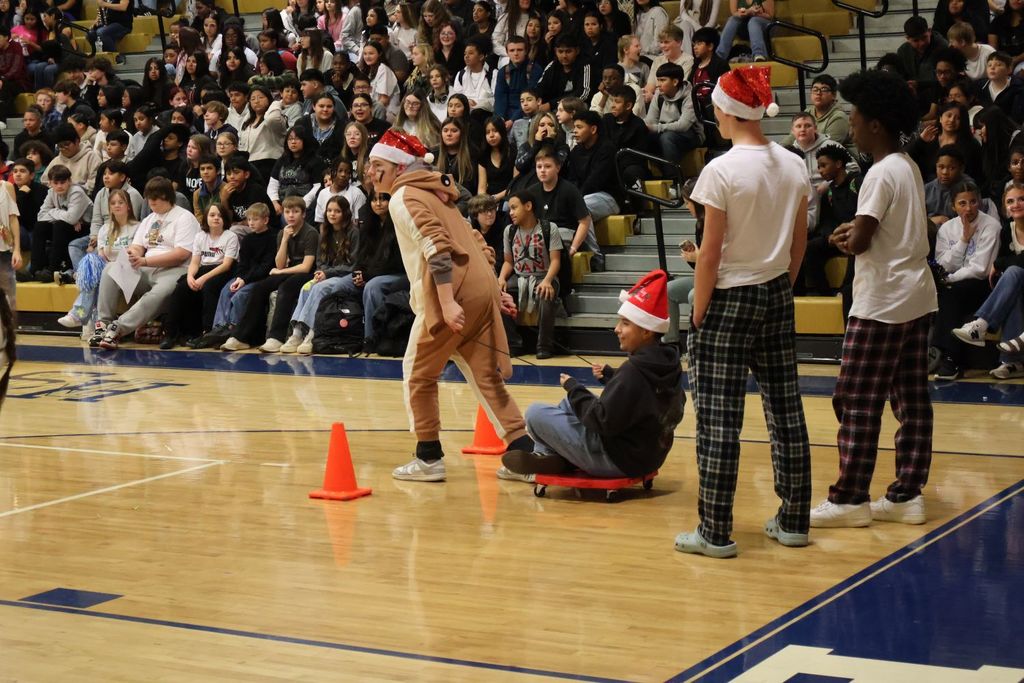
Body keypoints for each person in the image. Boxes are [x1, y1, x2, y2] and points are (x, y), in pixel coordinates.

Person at [675, 65, 812, 559]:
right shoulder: (795, 164)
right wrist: (782, 287)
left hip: (730, 297)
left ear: (726, 111)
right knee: (786, 410)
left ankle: (715, 532)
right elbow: (800, 242)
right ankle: (794, 520)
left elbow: (709, 254)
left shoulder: (721, 170)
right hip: (777, 292)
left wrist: (699, 311)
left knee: (718, 420)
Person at [367, 129, 535, 481]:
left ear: (398, 168)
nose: (370, 172)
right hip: (477, 286)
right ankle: (524, 454)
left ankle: (428, 457)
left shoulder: (403, 198)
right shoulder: (437, 193)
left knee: (418, 374)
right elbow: (473, 239)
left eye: (377, 164)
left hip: (453, 293)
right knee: (485, 377)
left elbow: (437, 246)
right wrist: (492, 288)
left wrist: (445, 302)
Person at [810, 69, 938, 529]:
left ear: (877, 125)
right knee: (911, 399)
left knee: (856, 398)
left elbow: (862, 240)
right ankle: (907, 494)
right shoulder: (907, 165)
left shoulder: (880, 173)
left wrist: (845, 236)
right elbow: (889, 230)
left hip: (882, 300)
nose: (853, 126)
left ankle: (850, 498)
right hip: (918, 296)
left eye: (858, 118)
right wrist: (855, 231)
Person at [502, 269, 685, 481]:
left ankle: (549, 455)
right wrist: (610, 375)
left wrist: (574, 387)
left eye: (625, 323)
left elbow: (602, 420)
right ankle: (550, 455)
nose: (617, 329)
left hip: (616, 460)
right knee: (568, 404)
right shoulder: (666, 362)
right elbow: (643, 394)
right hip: (648, 455)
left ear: (646, 331)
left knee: (535, 412)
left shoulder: (633, 370)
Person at [92, 177, 201, 351]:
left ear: (167, 197)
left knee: (159, 293)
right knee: (111, 268)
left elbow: (181, 254)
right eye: (149, 198)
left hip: (175, 270)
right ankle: (103, 324)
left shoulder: (184, 217)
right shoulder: (150, 219)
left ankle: (118, 328)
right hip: (146, 266)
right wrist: (132, 254)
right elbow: (138, 245)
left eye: (155, 199)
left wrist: (145, 260)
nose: (151, 202)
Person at [221, 196, 318, 351]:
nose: (291, 215)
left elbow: (306, 267)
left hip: (306, 273)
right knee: (259, 288)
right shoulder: (282, 233)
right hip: (287, 270)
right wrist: (285, 239)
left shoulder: (311, 233)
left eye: (295, 212)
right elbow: (280, 263)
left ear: (304, 214)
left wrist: (281, 271)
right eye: (287, 212)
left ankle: (276, 337)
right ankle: (241, 337)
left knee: (286, 288)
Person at [931, 181, 1001, 379]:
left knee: (951, 292)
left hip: (984, 286)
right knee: (950, 294)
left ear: (979, 202)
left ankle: (946, 356)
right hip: (954, 286)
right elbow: (942, 264)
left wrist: (949, 278)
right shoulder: (946, 229)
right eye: (962, 203)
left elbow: (980, 269)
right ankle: (948, 358)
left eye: (973, 202)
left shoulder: (991, 226)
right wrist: (963, 240)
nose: (968, 208)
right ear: (953, 206)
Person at [954, 183, 1024, 378]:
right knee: (1014, 285)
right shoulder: (1007, 230)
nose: (1016, 204)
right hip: (1019, 289)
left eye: (1021, 199)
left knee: (1014, 272)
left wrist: (1000, 262)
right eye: (1010, 201)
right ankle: (1012, 363)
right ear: (1005, 208)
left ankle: (981, 325)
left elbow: (1017, 261)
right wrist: (1004, 264)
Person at [278, 195, 360, 353]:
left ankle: (311, 334)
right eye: (329, 210)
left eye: (337, 211)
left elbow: (353, 265)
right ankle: (296, 333)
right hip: (328, 275)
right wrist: (320, 272)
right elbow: (320, 262)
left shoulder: (353, 232)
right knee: (306, 288)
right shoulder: (324, 232)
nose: (332, 214)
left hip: (347, 276)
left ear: (345, 213)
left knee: (318, 289)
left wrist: (327, 274)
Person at [190, 203, 277, 349]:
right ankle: (218, 329)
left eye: (255, 219)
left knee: (240, 295)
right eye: (249, 219)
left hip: (261, 278)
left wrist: (244, 280)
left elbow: (266, 266)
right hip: (245, 277)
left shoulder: (273, 237)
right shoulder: (248, 239)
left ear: (266, 220)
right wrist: (239, 278)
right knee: (226, 290)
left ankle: (235, 331)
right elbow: (242, 264)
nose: (251, 223)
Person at [59, 188, 137, 330]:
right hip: (107, 269)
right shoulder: (105, 229)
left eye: (121, 202)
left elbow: (134, 254)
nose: (117, 205)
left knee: (96, 269)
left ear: (129, 206)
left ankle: (80, 315)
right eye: (113, 203)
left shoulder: (137, 227)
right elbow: (101, 255)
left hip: (129, 269)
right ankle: (92, 317)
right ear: (109, 208)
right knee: (92, 263)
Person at [497, 188, 562, 359]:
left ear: (528, 206)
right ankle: (514, 344)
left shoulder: (549, 228)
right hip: (519, 278)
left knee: (545, 294)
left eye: (514, 207)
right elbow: (508, 261)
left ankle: (545, 345)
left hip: (544, 276)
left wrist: (548, 280)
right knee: (499, 297)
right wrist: (501, 278)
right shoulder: (509, 231)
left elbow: (555, 260)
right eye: (509, 209)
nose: (510, 212)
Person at [32, 164, 93, 283]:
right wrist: (65, 215)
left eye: (63, 182)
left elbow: (70, 219)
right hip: (70, 226)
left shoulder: (77, 192)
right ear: (50, 183)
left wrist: (54, 211)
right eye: (56, 183)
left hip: (85, 228)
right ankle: (35, 269)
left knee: (60, 225)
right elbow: (40, 216)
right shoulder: (51, 192)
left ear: (69, 181)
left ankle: (53, 270)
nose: (59, 186)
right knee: (40, 227)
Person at [644, 63, 703, 183]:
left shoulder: (689, 96)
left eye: (662, 80)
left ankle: (674, 181)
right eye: (658, 80)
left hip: (691, 135)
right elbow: (650, 120)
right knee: (643, 137)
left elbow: (683, 125)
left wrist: (656, 128)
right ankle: (652, 176)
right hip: (666, 132)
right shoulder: (658, 95)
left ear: (675, 82)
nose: (658, 84)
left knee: (667, 137)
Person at [0, 175, 19, 306]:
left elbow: (13, 219)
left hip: (4, 246)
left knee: (9, 294)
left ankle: (8, 325)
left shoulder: (7, 187)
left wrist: (17, 249)